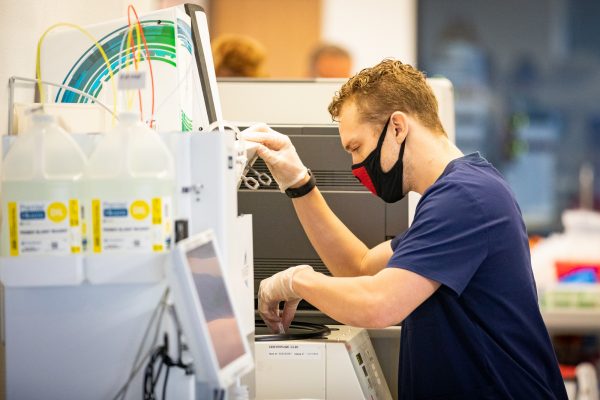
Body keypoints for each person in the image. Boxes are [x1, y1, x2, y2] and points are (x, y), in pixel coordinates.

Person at [241, 59, 568, 399]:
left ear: (397, 127)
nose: (355, 166)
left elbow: (378, 304)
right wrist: (299, 184)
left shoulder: (465, 198)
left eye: (356, 148)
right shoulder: (455, 192)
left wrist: (296, 281)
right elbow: (360, 268)